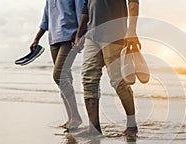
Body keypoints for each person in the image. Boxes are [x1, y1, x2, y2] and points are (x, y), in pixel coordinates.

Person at [74, 0, 141, 136]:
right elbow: (86, 8)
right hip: (91, 36)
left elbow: (133, 2)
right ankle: (94, 128)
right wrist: (79, 34)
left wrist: (132, 30)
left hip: (114, 35)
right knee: (88, 79)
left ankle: (132, 126)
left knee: (118, 82)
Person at [30, 0, 85, 129]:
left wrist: (79, 37)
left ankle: (76, 117)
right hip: (54, 39)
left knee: (59, 75)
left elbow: (81, 13)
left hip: (69, 38)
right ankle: (71, 118)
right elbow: (46, 19)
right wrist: (37, 38)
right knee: (65, 78)